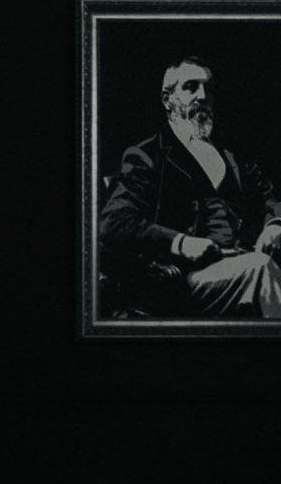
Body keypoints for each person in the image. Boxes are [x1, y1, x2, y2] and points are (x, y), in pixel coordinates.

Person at [99, 57, 281, 320]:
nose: (203, 96)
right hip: (184, 279)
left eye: (208, 88)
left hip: (244, 263)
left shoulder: (232, 154)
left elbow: (269, 197)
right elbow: (112, 222)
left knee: (261, 267)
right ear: (167, 99)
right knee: (260, 268)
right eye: (191, 87)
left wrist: (275, 225)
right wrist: (181, 243)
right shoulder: (148, 155)